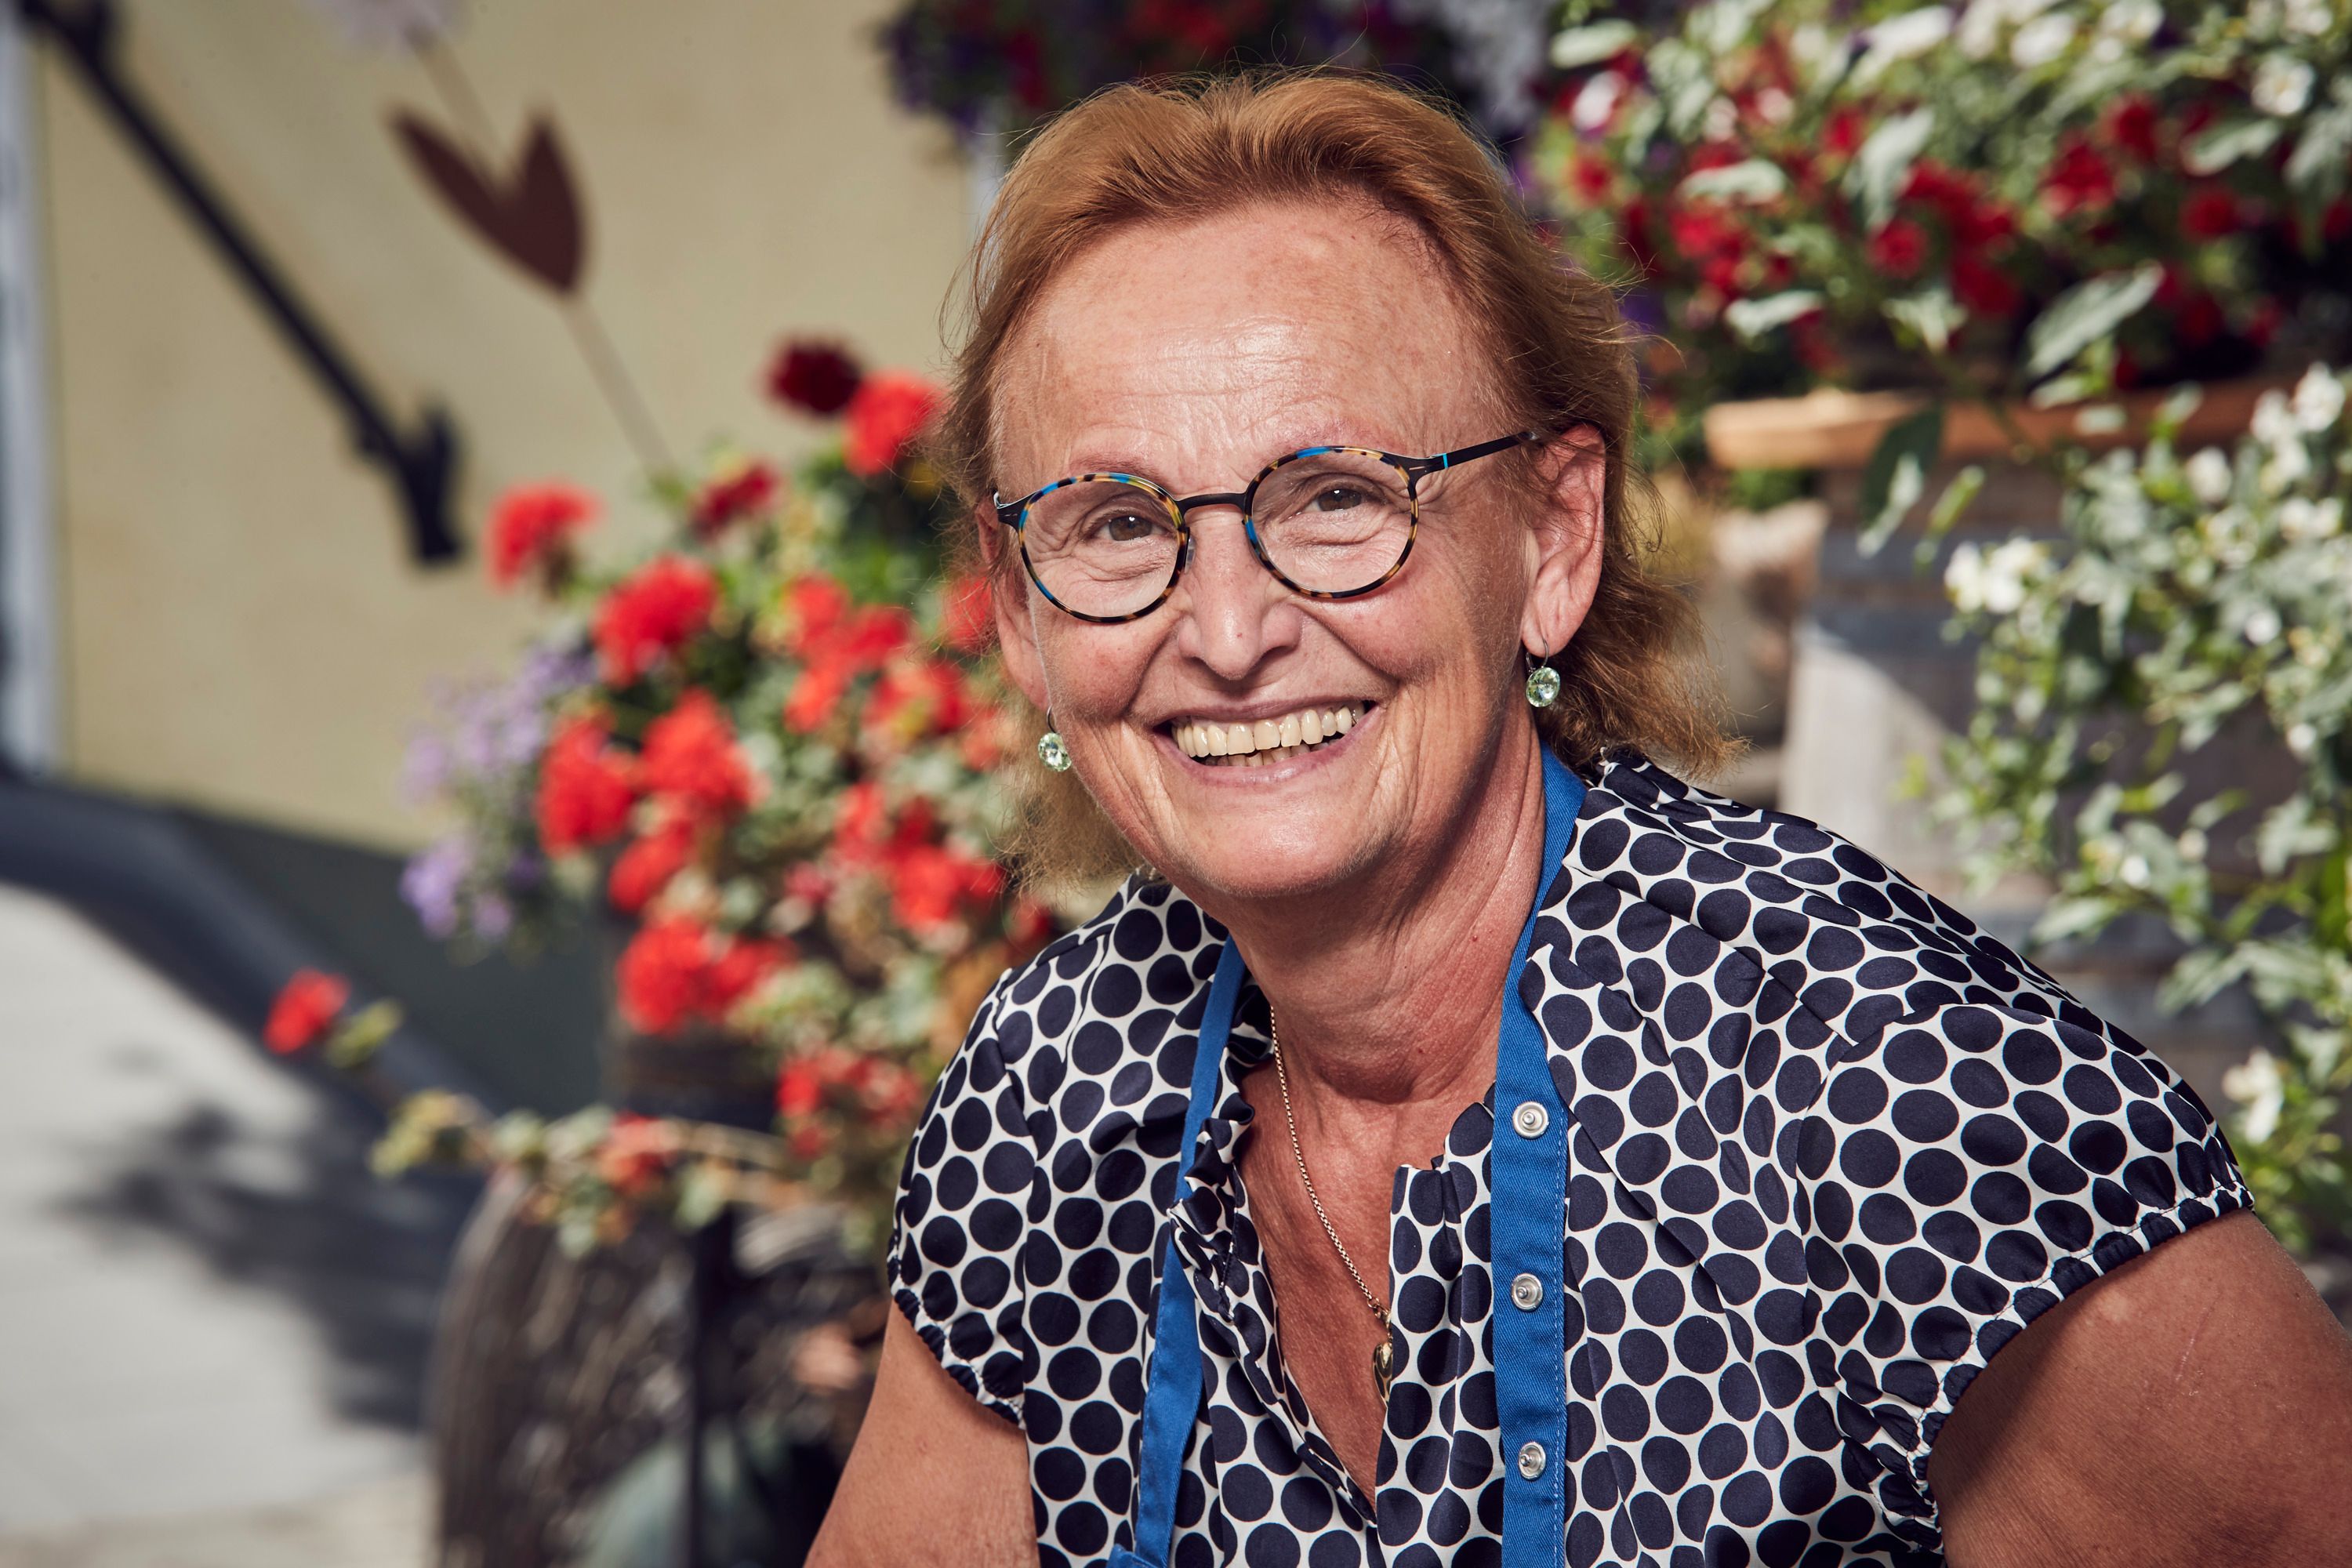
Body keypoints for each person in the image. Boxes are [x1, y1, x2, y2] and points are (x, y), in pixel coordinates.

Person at [810, 71, 2352, 1568]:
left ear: (1552, 542)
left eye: (1337, 495)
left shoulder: (1892, 1090)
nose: (1227, 628)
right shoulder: (1052, 1090)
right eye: (1122, 523)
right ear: (1021, 616)